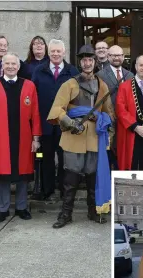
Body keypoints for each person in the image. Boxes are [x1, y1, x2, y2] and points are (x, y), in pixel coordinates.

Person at [47, 44, 115, 228]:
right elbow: (56, 109)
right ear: (80, 62)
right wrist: (69, 123)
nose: (87, 63)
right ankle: (66, 213)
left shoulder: (102, 85)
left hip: (94, 137)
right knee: (70, 179)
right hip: (73, 136)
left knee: (93, 178)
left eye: (90, 60)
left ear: (94, 62)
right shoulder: (69, 84)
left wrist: (104, 124)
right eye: (84, 60)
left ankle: (93, 210)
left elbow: (109, 112)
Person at [0, 53, 42, 223]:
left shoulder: (29, 85)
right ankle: (3, 209)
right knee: (4, 175)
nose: (10, 66)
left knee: (23, 174)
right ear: (2, 66)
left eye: (13, 64)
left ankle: (22, 207)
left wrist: (35, 138)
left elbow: (35, 113)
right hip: (0, 137)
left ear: (18, 66)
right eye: (7, 63)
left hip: (24, 137)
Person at [32, 39, 79, 200]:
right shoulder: (39, 71)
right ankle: (47, 190)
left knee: (65, 160)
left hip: (65, 125)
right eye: (53, 51)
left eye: (59, 51)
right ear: (48, 52)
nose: (56, 54)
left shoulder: (72, 71)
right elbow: (34, 98)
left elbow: (77, 99)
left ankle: (64, 190)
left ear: (64, 53)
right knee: (46, 159)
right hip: (45, 125)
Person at [96, 45, 134, 170]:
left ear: (123, 57)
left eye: (119, 55)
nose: (117, 58)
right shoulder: (100, 75)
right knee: (108, 152)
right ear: (108, 57)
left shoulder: (130, 75)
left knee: (123, 152)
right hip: (108, 120)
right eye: (113, 55)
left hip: (126, 121)